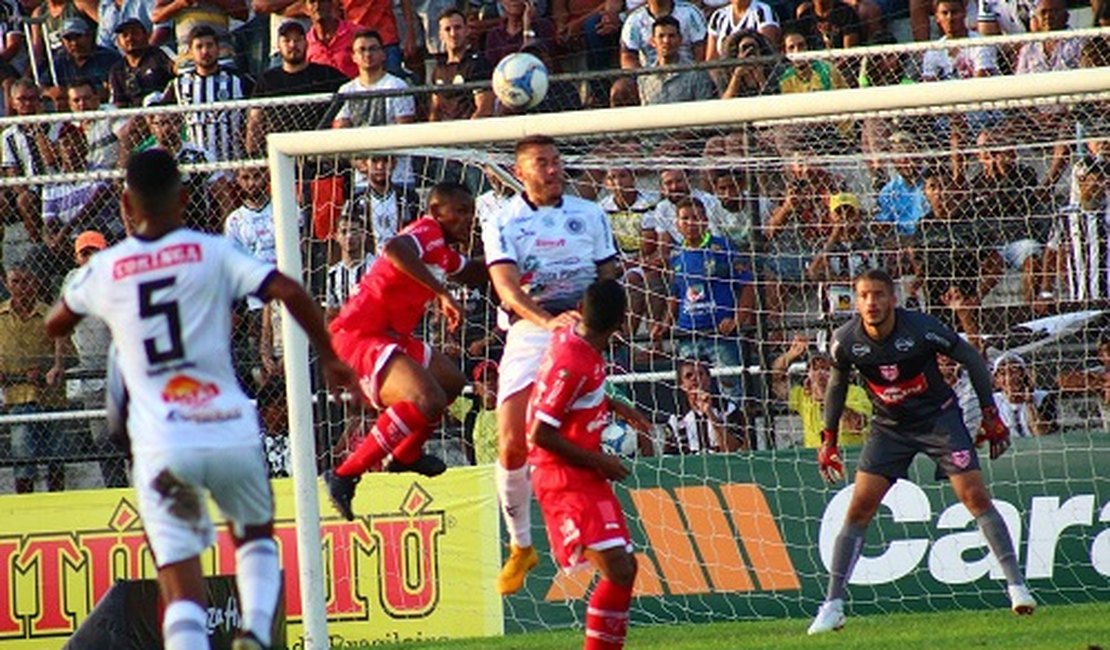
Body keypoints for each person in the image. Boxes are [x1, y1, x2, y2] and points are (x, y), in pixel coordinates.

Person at [44, 149, 360, 650]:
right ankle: (255, 630)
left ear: (126, 204)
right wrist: (330, 356)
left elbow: (57, 321)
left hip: (161, 440)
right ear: (185, 199)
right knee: (254, 534)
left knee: (179, 576)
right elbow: (288, 290)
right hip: (228, 427)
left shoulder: (109, 267)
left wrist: (100, 305)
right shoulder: (212, 252)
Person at [807, 268, 1034, 635]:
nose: (871, 303)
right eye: (864, 296)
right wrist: (828, 439)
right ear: (856, 300)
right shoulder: (845, 340)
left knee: (974, 496)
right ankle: (832, 604)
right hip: (889, 428)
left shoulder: (921, 329)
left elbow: (972, 359)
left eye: (879, 295)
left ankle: (1016, 586)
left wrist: (990, 415)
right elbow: (836, 384)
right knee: (860, 507)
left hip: (938, 421)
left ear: (892, 299)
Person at [482, 134, 620, 595]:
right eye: (541, 162)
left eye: (557, 161)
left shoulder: (590, 213)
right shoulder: (503, 220)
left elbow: (607, 276)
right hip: (530, 329)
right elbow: (506, 290)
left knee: (572, 431)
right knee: (511, 443)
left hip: (581, 330)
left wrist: (595, 324)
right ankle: (521, 546)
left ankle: (586, 527)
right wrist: (548, 322)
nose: (553, 169)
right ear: (519, 172)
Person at [323, 183, 487, 521]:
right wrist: (442, 293)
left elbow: (473, 272)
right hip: (360, 336)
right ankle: (344, 475)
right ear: (438, 211)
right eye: (460, 212)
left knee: (452, 382)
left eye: (471, 212)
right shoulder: (426, 231)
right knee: (427, 399)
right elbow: (396, 248)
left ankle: (405, 457)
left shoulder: (442, 250)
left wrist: (515, 263)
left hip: (392, 337)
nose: (468, 219)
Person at [526, 278, 638, 650]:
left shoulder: (576, 333)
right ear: (622, 321)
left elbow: (578, 393)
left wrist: (609, 403)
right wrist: (600, 460)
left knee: (624, 569)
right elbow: (540, 433)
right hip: (561, 474)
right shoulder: (573, 359)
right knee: (618, 569)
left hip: (583, 472)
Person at [56, 230, 128, 487]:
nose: (90, 258)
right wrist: (58, 364)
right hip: (90, 373)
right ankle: (115, 492)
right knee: (103, 442)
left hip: (121, 372)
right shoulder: (72, 282)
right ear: (77, 258)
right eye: (85, 253)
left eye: (95, 251)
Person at [1, 263, 67, 493]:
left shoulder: (52, 314)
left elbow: (70, 356)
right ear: (7, 284)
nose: (21, 287)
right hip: (17, 396)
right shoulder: (0, 316)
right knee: (23, 460)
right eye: (15, 282)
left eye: (26, 281)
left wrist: (47, 367)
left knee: (56, 459)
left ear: (36, 283)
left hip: (51, 398)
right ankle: (25, 508)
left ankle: (58, 504)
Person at [246, 19, 348, 154]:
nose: (293, 45)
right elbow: (255, 120)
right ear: (278, 45)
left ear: (306, 42)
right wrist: (251, 152)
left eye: (298, 40)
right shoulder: (268, 79)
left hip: (320, 153)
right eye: (287, 41)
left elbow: (350, 95)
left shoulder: (327, 74)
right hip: (281, 152)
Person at [770, 334, 870, 449]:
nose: (820, 373)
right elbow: (774, 379)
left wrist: (829, 399)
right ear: (809, 373)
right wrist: (790, 355)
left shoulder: (854, 392)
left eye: (826, 368)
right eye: (815, 368)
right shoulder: (803, 395)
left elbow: (857, 425)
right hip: (813, 460)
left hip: (847, 456)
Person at [664, 357, 747, 453]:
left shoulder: (728, 409)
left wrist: (710, 414)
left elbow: (731, 448)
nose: (695, 378)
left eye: (700, 374)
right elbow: (670, 457)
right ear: (681, 385)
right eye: (688, 376)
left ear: (708, 379)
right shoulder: (676, 417)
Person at [428, 8, 494, 121]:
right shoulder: (439, 69)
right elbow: (435, 110)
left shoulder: (479, 64)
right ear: (440, 35)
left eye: (457, 27)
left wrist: (464, 133)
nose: (453, 34)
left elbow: (485, 109)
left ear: (467, 30)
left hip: (471, 133)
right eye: (447, 29)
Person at [637, 15, 717, 106]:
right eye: (661, 36)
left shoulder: (696, 74)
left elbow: (704, 109)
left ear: (680, 39)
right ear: (653, 41)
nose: (666, 41)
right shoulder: (644, 77)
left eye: (671, 36)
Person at [107, 18, 175, 109]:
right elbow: (119, 104)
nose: (130, 38)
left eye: (135, 33)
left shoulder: (160, 54)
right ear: (118, 42)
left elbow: (178, 72)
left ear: (147, 36)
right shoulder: (117, 70)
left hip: (164, 111)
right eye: (125, 35)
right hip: (135, 117)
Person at [992, 353, 1058, 437]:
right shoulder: (993, 401)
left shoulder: (1043, 397)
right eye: (1003, 373)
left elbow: (1042, 435)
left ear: (1024, 375)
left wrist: (1029, 403)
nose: (1009, 378)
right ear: (996, 381)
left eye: (1014, 371)